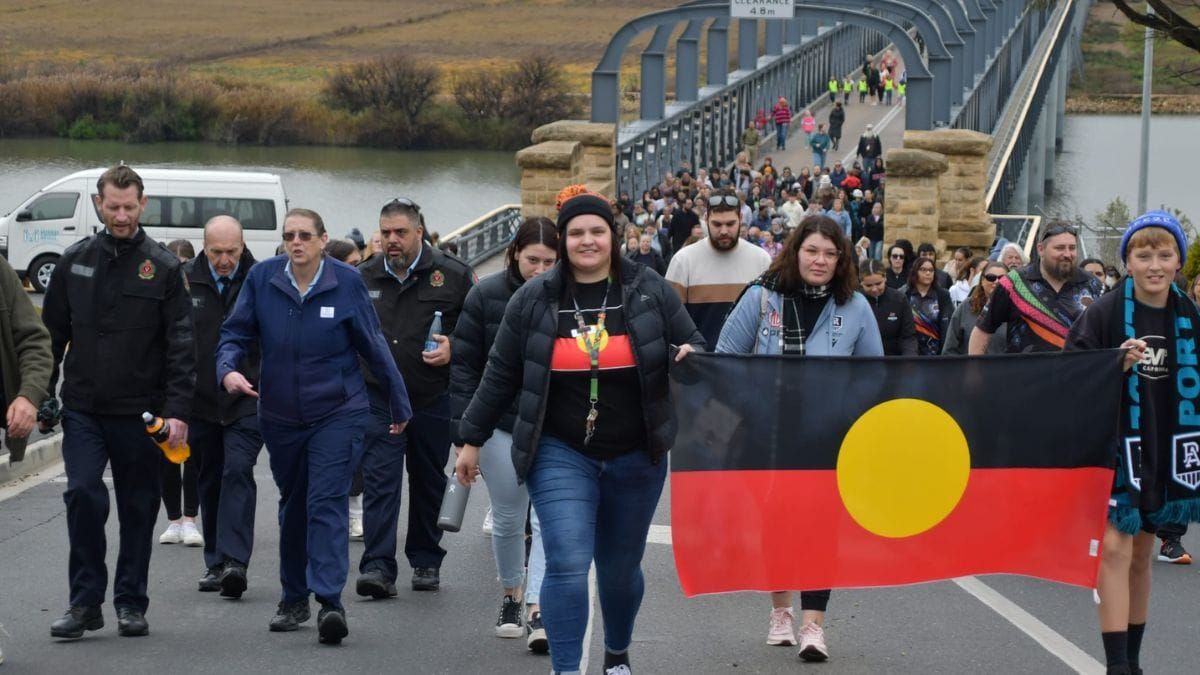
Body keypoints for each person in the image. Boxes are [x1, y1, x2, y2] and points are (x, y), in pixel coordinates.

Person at [454, 185, 703, 675]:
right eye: (576, 233)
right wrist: (470, 439)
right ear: (564, 239)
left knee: (619, 569)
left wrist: (691, 356)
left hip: (637, 453)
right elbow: (499, 374)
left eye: (597, 231)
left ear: (614, 236)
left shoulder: (649, 289)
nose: (587, 241)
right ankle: (566, 668)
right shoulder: (533, 299)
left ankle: (616, 654)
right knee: (567, 562)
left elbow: (693, 343)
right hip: (559, 450)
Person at [216, 208, 412, 644]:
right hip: (281, 415)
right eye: (289, 235)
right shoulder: (263, 279)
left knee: (326, 501)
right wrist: (227, 369)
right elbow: (234, 334)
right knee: (295, 504)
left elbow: (374, 345)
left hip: (338, 412)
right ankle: (292, 597)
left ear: (324, 240)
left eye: (305, 235)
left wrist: (400, 403)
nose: (297, 242)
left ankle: (329, 602)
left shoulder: (346, 282)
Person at [717, 216, 883, 663]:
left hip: (827, 439)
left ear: (841, 259)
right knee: (776, 522)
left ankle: (814, 625)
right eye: (812, 251)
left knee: (821, 527)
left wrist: (848, 413)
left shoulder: (856, 307)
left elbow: (874, 375)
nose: (821, 261)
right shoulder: (761, 296)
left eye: (830, 254)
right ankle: (781, 612)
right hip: (767, 434)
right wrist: (751, 405)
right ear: (796, 251)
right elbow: (725, 359)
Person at [42, 165, 195, 640]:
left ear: (143, 205)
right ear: (98, 205)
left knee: (137, 506)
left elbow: (182, 347)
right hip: (84, 407)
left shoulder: (165, 268)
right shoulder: (74, 261)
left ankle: (130, 602)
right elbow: (48, 337)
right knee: (82, 494)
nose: (122, 215)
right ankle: (85, 603)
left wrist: (179, 412)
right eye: (113, 207)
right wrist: (41, 394)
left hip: (142, 413)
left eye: (130, 207)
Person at [1064, 211, 1200, 675]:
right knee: (1116, 550)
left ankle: (1134, 662)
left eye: (1165, 255)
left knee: (1142, 554)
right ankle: (1117, 665)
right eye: (1144, 255)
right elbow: (1070, 374)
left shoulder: (1188, 314)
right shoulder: (1102, 312)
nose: (1155, 265)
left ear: (1179, 261)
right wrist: (1114, 365)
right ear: (1128, 261)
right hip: (1116, 447)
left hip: (1166, 446)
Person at [354, 198, 475, 599]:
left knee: (427, 482)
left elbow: (479, 334)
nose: (391, 241)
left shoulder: (453, 276)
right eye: (385, 233)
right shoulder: (361, 276)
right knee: (380, 482)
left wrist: (453, 346)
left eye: (400, 233)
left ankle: (425, 560)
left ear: (419, 233)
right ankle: (377, 566)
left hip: (431, 397)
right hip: (380, 399)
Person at [450, 217, 557, 650]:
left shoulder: (569, 296)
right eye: (534, 260)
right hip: (498, 425)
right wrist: (464, 437)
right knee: (510, 518)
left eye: (551, 261)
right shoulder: (485, 295)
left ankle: (537, 607)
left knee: (547, 519)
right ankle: (512, 593)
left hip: (553, 425)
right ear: (515, 253)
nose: (542, 270)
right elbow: (464, 368)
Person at [184, 216, 264, 599]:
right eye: (216, 252)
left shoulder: (262, 278)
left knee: (237, 470)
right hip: (199, 400)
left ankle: (235, 562)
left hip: (247, 398)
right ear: (204, 246)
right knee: (209, 478)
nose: (224, 260)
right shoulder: (184, 280)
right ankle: (215, 562)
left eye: (232, 251)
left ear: (243, 245)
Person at [971, 223, 1103, 355]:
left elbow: (1106, 333)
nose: (1068, 254)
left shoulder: (1093, 285)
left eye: (1072, 248)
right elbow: (982, 330)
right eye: (1060, 248)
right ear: (1040, 249)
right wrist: (974, 372)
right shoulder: (1013, 283)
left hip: (1078, 373)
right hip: (1026, 374)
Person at [665, 188, 771, 347]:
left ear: (741, 219)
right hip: (701, 365)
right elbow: (669, 321)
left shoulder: (761, 260)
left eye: (730, 224)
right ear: (706, 219)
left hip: (749, 367)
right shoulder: (683, 261)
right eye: (717, 224)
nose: (724, 231)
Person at [943, 261, 1008, 355]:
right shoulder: (966, 307)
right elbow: (950, 348)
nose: (997, 281)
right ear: (982, 281)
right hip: (970, 368)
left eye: (1003, 278)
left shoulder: (1016, 309)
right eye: (991, 278)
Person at [859, 259, 916, 355]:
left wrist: (909, 360)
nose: (874, 289)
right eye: (868, 285)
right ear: (861, 283)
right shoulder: (855, 301)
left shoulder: (899, 299)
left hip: (893, 361)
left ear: (885, 278)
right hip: (863, 361)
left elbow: (908, 336)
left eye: (878, 284)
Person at [902, 257, 953, 356]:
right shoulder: (904, 294)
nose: (928, 273)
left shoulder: (943, 295)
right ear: (915, 272)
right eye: (923, 270)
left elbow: (947, 325)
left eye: (931, 270)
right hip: (911, 353)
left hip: (936, 354)